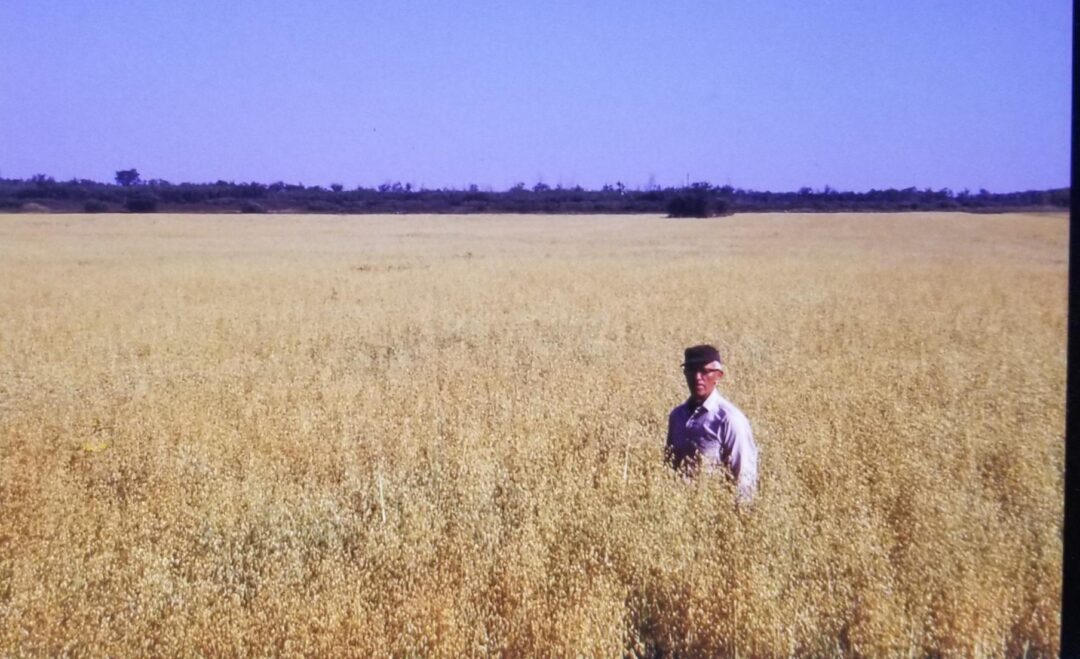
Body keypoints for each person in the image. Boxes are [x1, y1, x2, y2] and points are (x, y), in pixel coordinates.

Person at [666, 344, 758, 502]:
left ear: (718, 375)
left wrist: (739, 520)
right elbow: (669, 468)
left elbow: (745, 478)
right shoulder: (677, 416)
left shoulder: (729, 419)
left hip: (714, 515)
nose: (697, 377)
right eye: (691, 370)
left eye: (704, 371)